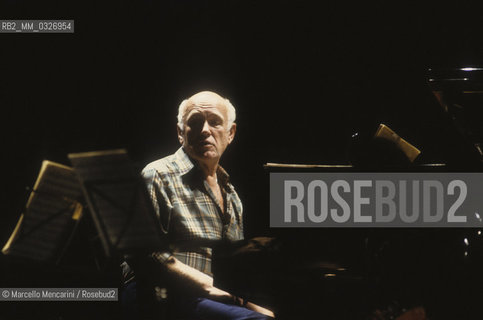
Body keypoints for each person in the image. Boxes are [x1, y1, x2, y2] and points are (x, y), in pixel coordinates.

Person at [140, 91, 275, 319]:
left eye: (214, 122)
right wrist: (212, 288)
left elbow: (235, 269)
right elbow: (145, 256)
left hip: (215, 299)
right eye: (195, 122)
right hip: (167, 296)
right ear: (180, 132)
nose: (205, 130)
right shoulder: (158, 174)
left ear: (230, 133)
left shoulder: (231, 194)